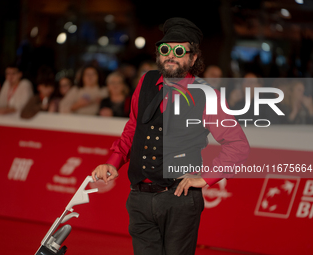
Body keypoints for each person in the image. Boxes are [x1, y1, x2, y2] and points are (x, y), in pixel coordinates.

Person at [91, 17, 250, 255]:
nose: (170, 55)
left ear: (193, 57)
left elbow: (238, 145)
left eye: (179, 50)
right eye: (165, 49)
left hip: (180, 199)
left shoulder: (207, 95)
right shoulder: (145, 83)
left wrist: (205, 179)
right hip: (139, 199)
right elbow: (133, 128)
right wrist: (113, 162)